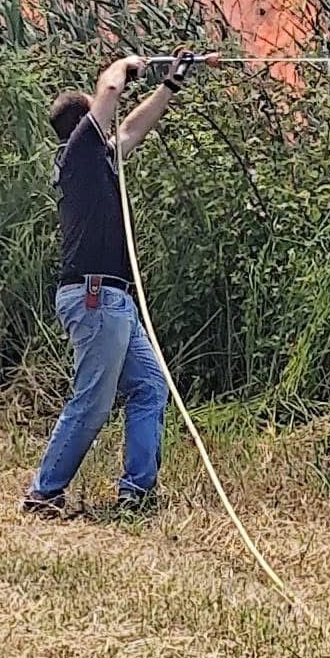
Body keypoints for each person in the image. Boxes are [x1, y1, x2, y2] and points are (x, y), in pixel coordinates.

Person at [21, 51, 198, 517]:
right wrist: (126, 63)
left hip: (112, 299)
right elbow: (112, 90)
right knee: (93, 402)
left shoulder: (102, 161)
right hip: (96, 297)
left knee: (149, 388)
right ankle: (44, 492)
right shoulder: (80, 153)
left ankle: (135, 494)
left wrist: (170, 84)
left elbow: (134, 127)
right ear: (83, 122)